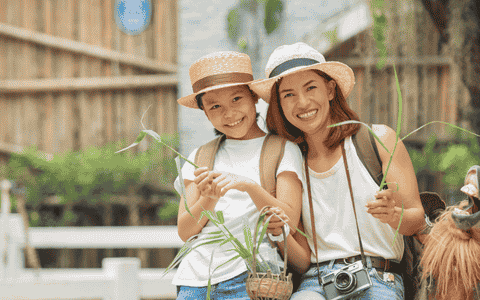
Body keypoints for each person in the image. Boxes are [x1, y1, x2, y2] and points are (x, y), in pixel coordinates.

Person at [250, 42, 426, 300]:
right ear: (279, 104)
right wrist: (279, 232)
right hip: (316, 282)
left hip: (379, 279)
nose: (303, 102)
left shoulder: (378, 140)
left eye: (311, 88)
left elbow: (418, 220)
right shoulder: (288, 162)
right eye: (288, 94)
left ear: (330, 89)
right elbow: (301, 262)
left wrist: (394, 215)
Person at [171, 51, 305, 300]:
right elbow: (185, 230)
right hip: (194, 281)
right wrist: (209, 198)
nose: (229, 113)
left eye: (236, 99)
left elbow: (290, 221)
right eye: (215, 106)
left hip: (252, 278)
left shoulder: (282, 149)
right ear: (204, 111)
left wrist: (249, 186)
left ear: (254, 97)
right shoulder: (200, 156)